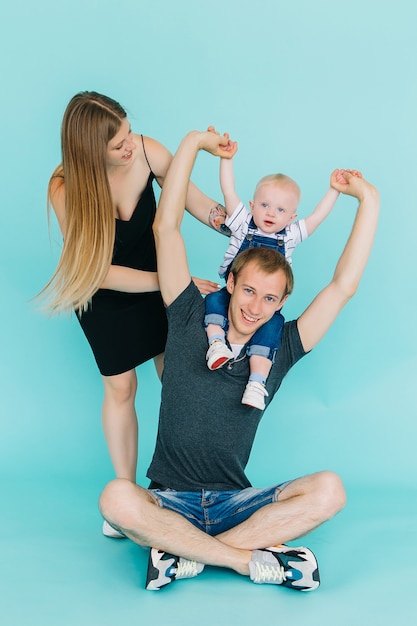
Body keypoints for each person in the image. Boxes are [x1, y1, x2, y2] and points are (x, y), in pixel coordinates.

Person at [98, 128, 379, 592]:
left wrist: (368, 201)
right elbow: (165, 229)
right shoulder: (189, 313)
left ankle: (182, 553)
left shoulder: (282, 347)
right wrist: (192, 144)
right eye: (248, 290)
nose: (254, 306)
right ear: (229, 283)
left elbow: (342, 287)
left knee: (331, 489)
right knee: (115, 498)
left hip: (236, 502)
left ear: (280, 304)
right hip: (169, 501)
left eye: (269, 299)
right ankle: (245, 560)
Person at [39, 93, 227, 537]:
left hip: (155, 278)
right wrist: (169, 282)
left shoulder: (147, 150)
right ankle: (124, 501)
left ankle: (186, 484)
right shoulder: (65, 187)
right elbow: (96, 270)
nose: (130, 145)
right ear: (89, 151)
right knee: (121, 386)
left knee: (179, 379)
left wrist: (244, 226)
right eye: (118, 143)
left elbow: (197, 204)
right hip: (104, 290)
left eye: (127, 132)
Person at [204, 133, 361, 410]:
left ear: (291, 218)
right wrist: (225, 160)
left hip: (263, 307)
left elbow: (317, 218)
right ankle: (216, 342)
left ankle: (256, 381)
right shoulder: (242, 223)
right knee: (213, 301)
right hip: (234, 294)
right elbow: (229, 191)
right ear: (252, 206)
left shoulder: (289, 236)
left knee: (273, 327)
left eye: (280, 209)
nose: (270, 213)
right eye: (264, 205)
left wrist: (334, 190)